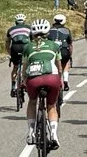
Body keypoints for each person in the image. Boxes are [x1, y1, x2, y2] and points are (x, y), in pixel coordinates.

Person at [20, 20, 65, 149]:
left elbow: (24, 69)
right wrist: (60, 79)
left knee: (32, 102)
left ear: (32, 34)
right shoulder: (54, 45)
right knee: (51, 106)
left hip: (34, 80)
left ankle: (31, 132)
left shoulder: (27, 47)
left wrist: (24, 81)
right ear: (47, 32)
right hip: (52, 79)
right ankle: (54, 134)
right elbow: (59, 67)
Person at [5, 14, 31, 101]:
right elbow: (32, 41)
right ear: (24, 21)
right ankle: (25, 83)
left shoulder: (10, 29)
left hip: (15, 48)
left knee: (15, 67)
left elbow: (7, 43)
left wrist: (11, 53)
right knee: (26, 65)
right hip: (25, 47)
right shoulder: (29, 28)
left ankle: (13, 87)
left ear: (15, 22)